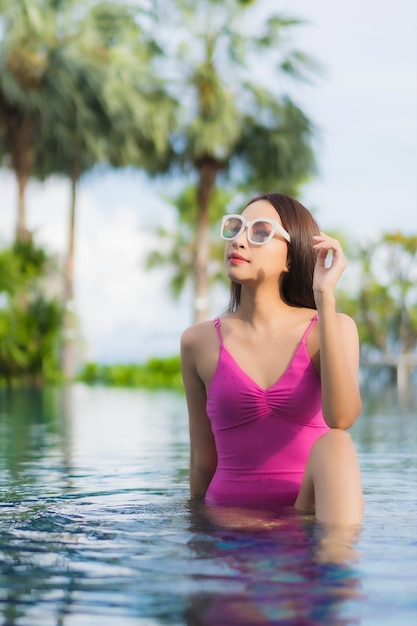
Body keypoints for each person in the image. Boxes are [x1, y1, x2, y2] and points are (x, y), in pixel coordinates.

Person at [180, 192, 363, 526]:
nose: (239, 241)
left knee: (337, 444)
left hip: (306, 520)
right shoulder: (198, 341)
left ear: (291, 259)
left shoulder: (332, 327)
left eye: (260, 232)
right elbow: (201, 461)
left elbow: (342, 417)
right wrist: (198, 546)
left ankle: (338, 574)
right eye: (235, 228)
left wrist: (325, 296)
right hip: (229, 528)